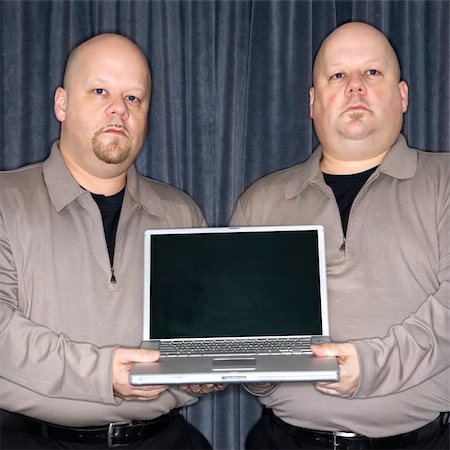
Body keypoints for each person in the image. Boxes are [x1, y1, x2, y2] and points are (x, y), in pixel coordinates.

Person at [230, 22, 449, 449]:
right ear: (313, 102)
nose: (354, 87)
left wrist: (369, 366)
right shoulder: (260, 202)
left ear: (402, 95)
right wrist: (257, 376)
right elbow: (243, 326)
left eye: (372, 73)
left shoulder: (444, 181)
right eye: (337, 76)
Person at [0, 33, 220, 449]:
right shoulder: (5, 200)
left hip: (164, 439)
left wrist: (205, 374)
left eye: (134, 98)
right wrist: (103, 374)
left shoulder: (182, 213)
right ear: (61, 103)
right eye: (100, 90)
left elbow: (192, 338)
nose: (119, 108)